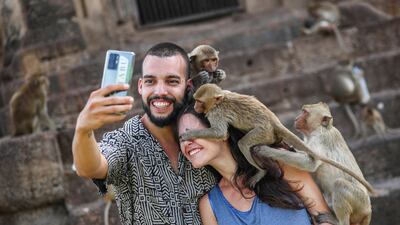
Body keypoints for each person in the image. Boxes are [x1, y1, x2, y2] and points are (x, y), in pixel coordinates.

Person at [72, 42, 334, 225]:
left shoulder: (213, 130)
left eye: (171, 81)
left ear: (187, 86)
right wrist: (84, 129)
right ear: (140, 86)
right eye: (150, 81)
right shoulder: (127, 140)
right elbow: (91, 166)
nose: (159, 91)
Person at [177, 106, 337, 225]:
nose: (187, 141)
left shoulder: (277, 161)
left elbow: (324, 217)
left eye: (193, 132)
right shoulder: (210, 205)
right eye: (182, 137)